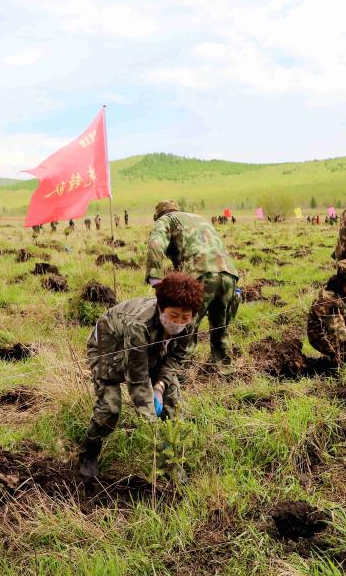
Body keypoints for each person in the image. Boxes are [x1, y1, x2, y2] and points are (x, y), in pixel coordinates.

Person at [78, 271, 202, 482]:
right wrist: (151, 424)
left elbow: (176, 358)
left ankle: (170, 463)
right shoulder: (139, 325)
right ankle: (89, 454)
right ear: (161, 308)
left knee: (174, 404)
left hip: (152, 349)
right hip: (109, 348)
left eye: (185, 317)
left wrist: (160, 388)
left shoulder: (189, 323)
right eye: (173, 316)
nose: (179, 322)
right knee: (110, 408)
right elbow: (137, 378)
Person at [146, 200, 240, 376]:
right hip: (228, 272)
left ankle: (177, 373)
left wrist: (155, 279)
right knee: (220, 326)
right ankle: (226, 371)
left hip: (201, 273)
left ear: (159, 215)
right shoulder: (199, 218)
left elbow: (155, 244)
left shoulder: (166, 220)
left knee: (186, 323)